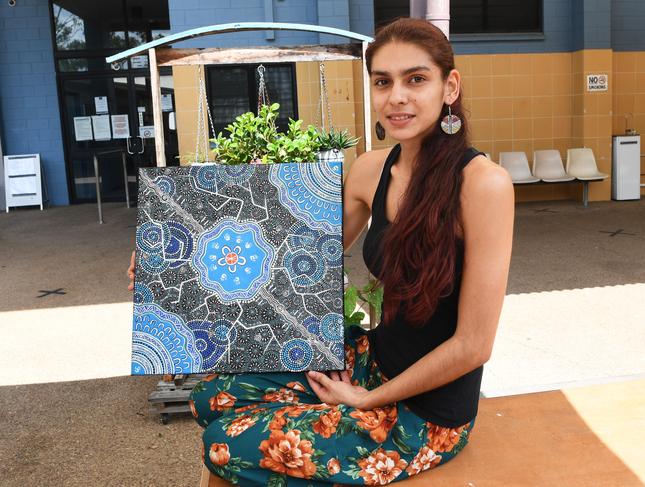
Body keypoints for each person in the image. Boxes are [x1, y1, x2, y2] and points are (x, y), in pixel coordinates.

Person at [127, 17, 514, 486]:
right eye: (383, 82)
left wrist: (367, 401)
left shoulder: (483, 186)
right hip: (373, 361)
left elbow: (474, 345)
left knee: (223, 443)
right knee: (213, 397)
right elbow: (295, 257)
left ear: (449, 87)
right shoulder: (373, 170)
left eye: (416, 79)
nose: (398, 97)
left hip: (424, 415)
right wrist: (167, 267)